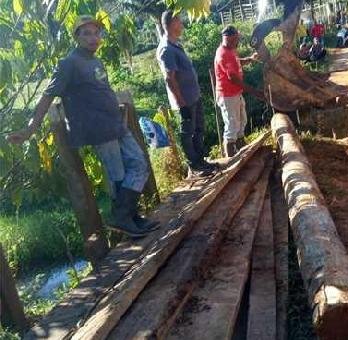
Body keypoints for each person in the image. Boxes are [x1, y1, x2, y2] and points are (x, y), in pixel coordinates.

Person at [6, 16, 157, 238]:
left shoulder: (96, 61)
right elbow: (48, 96)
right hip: (97, 129)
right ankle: (126, 218)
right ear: (76, 36)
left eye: (96, 33)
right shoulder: (69, 63)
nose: (93, 38)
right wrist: (30, 129)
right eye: (86, 33)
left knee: (139, 163)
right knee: (117, 174)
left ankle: (126, 216)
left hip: (115, 124)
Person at [156, 11, 216, 175]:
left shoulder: (176, 45)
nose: (182, 23)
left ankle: (201, 161)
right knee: (188, 132)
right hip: (185, 101)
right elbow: (170, 78)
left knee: (198, 130)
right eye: (178, 20)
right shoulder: (166, 49)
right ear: (170, 23)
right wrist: (181, 103)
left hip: (193, 97)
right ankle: (194, 165)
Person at [213, 25, 263, 157]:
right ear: (227, 38)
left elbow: (236, 61)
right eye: (236, 38)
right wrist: (254, 91)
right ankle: (230, 159)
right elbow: (233, 78)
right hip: (227, 95)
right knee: (232, 126)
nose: (238, 41)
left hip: (235, 94)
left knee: (242, 121)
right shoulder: (223, 54)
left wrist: (249, 59)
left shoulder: (231, 50)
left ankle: (241, 148)